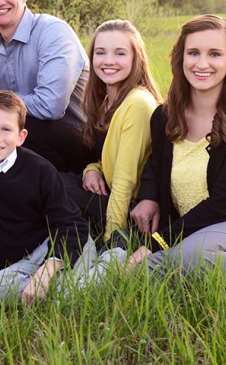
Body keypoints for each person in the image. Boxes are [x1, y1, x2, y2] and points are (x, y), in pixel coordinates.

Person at [120, 15, 226, 280]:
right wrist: (148, 195)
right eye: (193, 53)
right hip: (193, 230)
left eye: (215, 54)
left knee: (176, 260)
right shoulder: (164, 115)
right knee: (164, 261)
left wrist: (158, 243)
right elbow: (156, 161)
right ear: (181, 58)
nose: (202, 63)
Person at [0, 90, 96, 304]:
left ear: (21, 136)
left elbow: (72, 226)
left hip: (59, 246)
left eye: (6, 129)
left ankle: (103, 268)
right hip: (21, 263)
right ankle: (83, 284)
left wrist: (46, 272)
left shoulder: (40, 170)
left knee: (67, 282)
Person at [0, 0, 90, 173]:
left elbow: (51, 106)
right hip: (20, 139)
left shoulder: (53, 32)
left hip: (75, 143)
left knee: (20, 124)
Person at [66, 20, 162, 240]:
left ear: (135, 58)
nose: (108, 61)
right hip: (110, 193)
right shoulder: (106, 101)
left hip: (132, 209)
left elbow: (125, 180)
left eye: (120, 53)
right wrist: (92, 169)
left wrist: (114, 237)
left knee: (53, 187)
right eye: (100, 53)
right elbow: (109, 156)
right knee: (52, 178)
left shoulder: (138, 102)